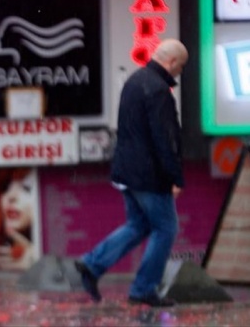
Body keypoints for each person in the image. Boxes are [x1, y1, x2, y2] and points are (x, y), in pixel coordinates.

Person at [74, 38, 189, 307]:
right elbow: (164, 139)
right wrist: (175, 176)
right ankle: (143, 289)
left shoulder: (136, 81)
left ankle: (92, 264)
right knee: (166, 228)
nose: (179, 72)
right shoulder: (159, 90)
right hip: (149, 175)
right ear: (171, 62)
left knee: (138, 225)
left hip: (127, 171)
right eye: (180, 67)